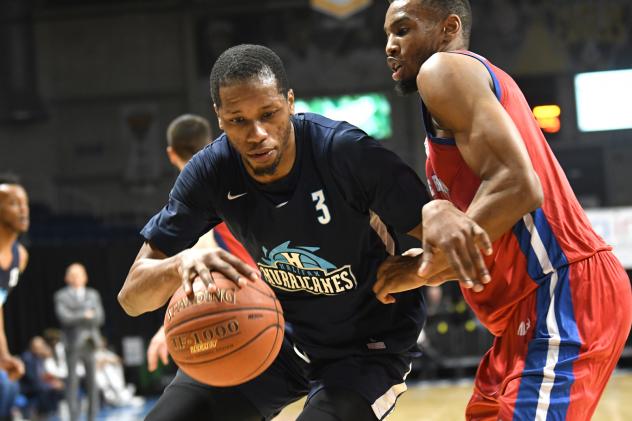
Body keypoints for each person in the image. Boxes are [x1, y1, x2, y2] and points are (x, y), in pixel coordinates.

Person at [118, 44, 482, 421]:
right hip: (274, 333)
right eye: (238, 120)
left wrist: (414, 270)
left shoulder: (346, 154)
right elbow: (132, 297)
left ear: (290, 102)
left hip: (366, 349)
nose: (257, 133)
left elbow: (468, 253)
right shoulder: (211, 171)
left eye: (269, 114)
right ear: (219, 118)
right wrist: (182, 262)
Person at [376, 1, 632, 419]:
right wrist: (415, 269)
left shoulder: (443, 71)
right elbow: (484, 235)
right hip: (526, 314)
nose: (389, 45)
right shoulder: (458, 94)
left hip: (560, 288)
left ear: (448, 28)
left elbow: (518, 185)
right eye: (386, 34)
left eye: (403, 30)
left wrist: (424, 264)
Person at [146, 113, 258, 372]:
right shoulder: (238, 176)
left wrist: (170, 325)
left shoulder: (190, 197)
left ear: (171, 154)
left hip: (234, 300)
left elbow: (203, 258)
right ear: (210, 141)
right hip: (270, 288)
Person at [54, 263, 105, 421]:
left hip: (90, 342)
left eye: (79, 274)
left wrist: (78, 315)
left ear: (85, 277)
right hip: (72, 343)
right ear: (67, 278)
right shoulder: (61, 296)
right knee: (72, 383)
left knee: (92, 382)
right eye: (73, 275)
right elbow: (64, 317)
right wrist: (84, 314)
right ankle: (74, 417)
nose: (76, 278)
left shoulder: (93, 294)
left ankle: (92, 416)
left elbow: (99, 317)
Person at [0, 174, 29, 421]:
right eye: (13, 203)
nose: (23, 210)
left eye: (25, 204)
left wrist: (3, 354)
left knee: (9, 388)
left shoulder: (21, 256)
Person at [19, 336, 64, 419]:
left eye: (42, 346)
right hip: (30, 387)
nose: (41, 348)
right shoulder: (27, 358)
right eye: (38, 347)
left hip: (41, 385)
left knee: (59, 389)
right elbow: (33, 379)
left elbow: (46, 374)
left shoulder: (40, 357)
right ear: (32, 347)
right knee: (47, 390)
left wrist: (53, 382)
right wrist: (50, 385)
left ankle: (53, 413)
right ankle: (45, 415)